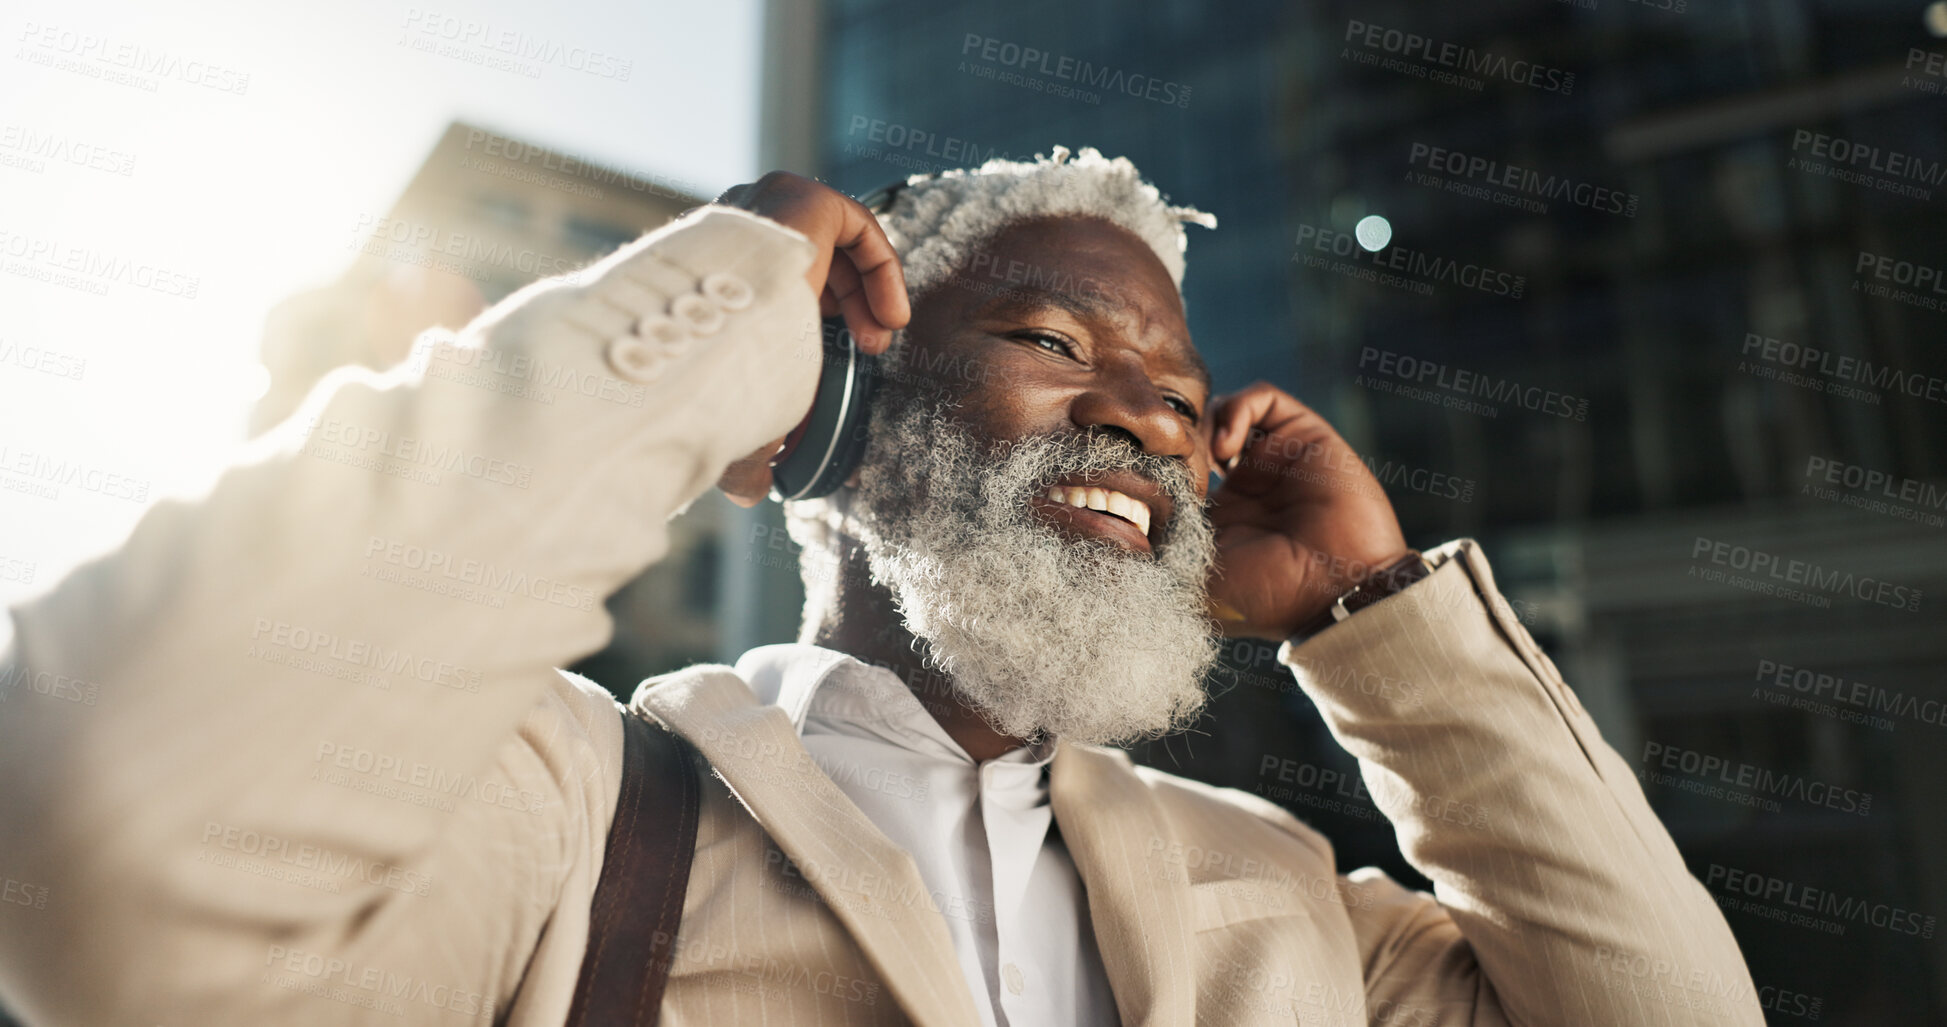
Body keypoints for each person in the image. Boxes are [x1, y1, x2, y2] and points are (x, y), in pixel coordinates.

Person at [0, 147, 1762, 1025]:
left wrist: (1384, 617)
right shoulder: (563, 812)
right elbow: (111, 846)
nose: (1145, 424)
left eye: (1171, 394)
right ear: (837, 400)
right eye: (1052, 340)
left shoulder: (1289, 901)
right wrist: (722, 309)